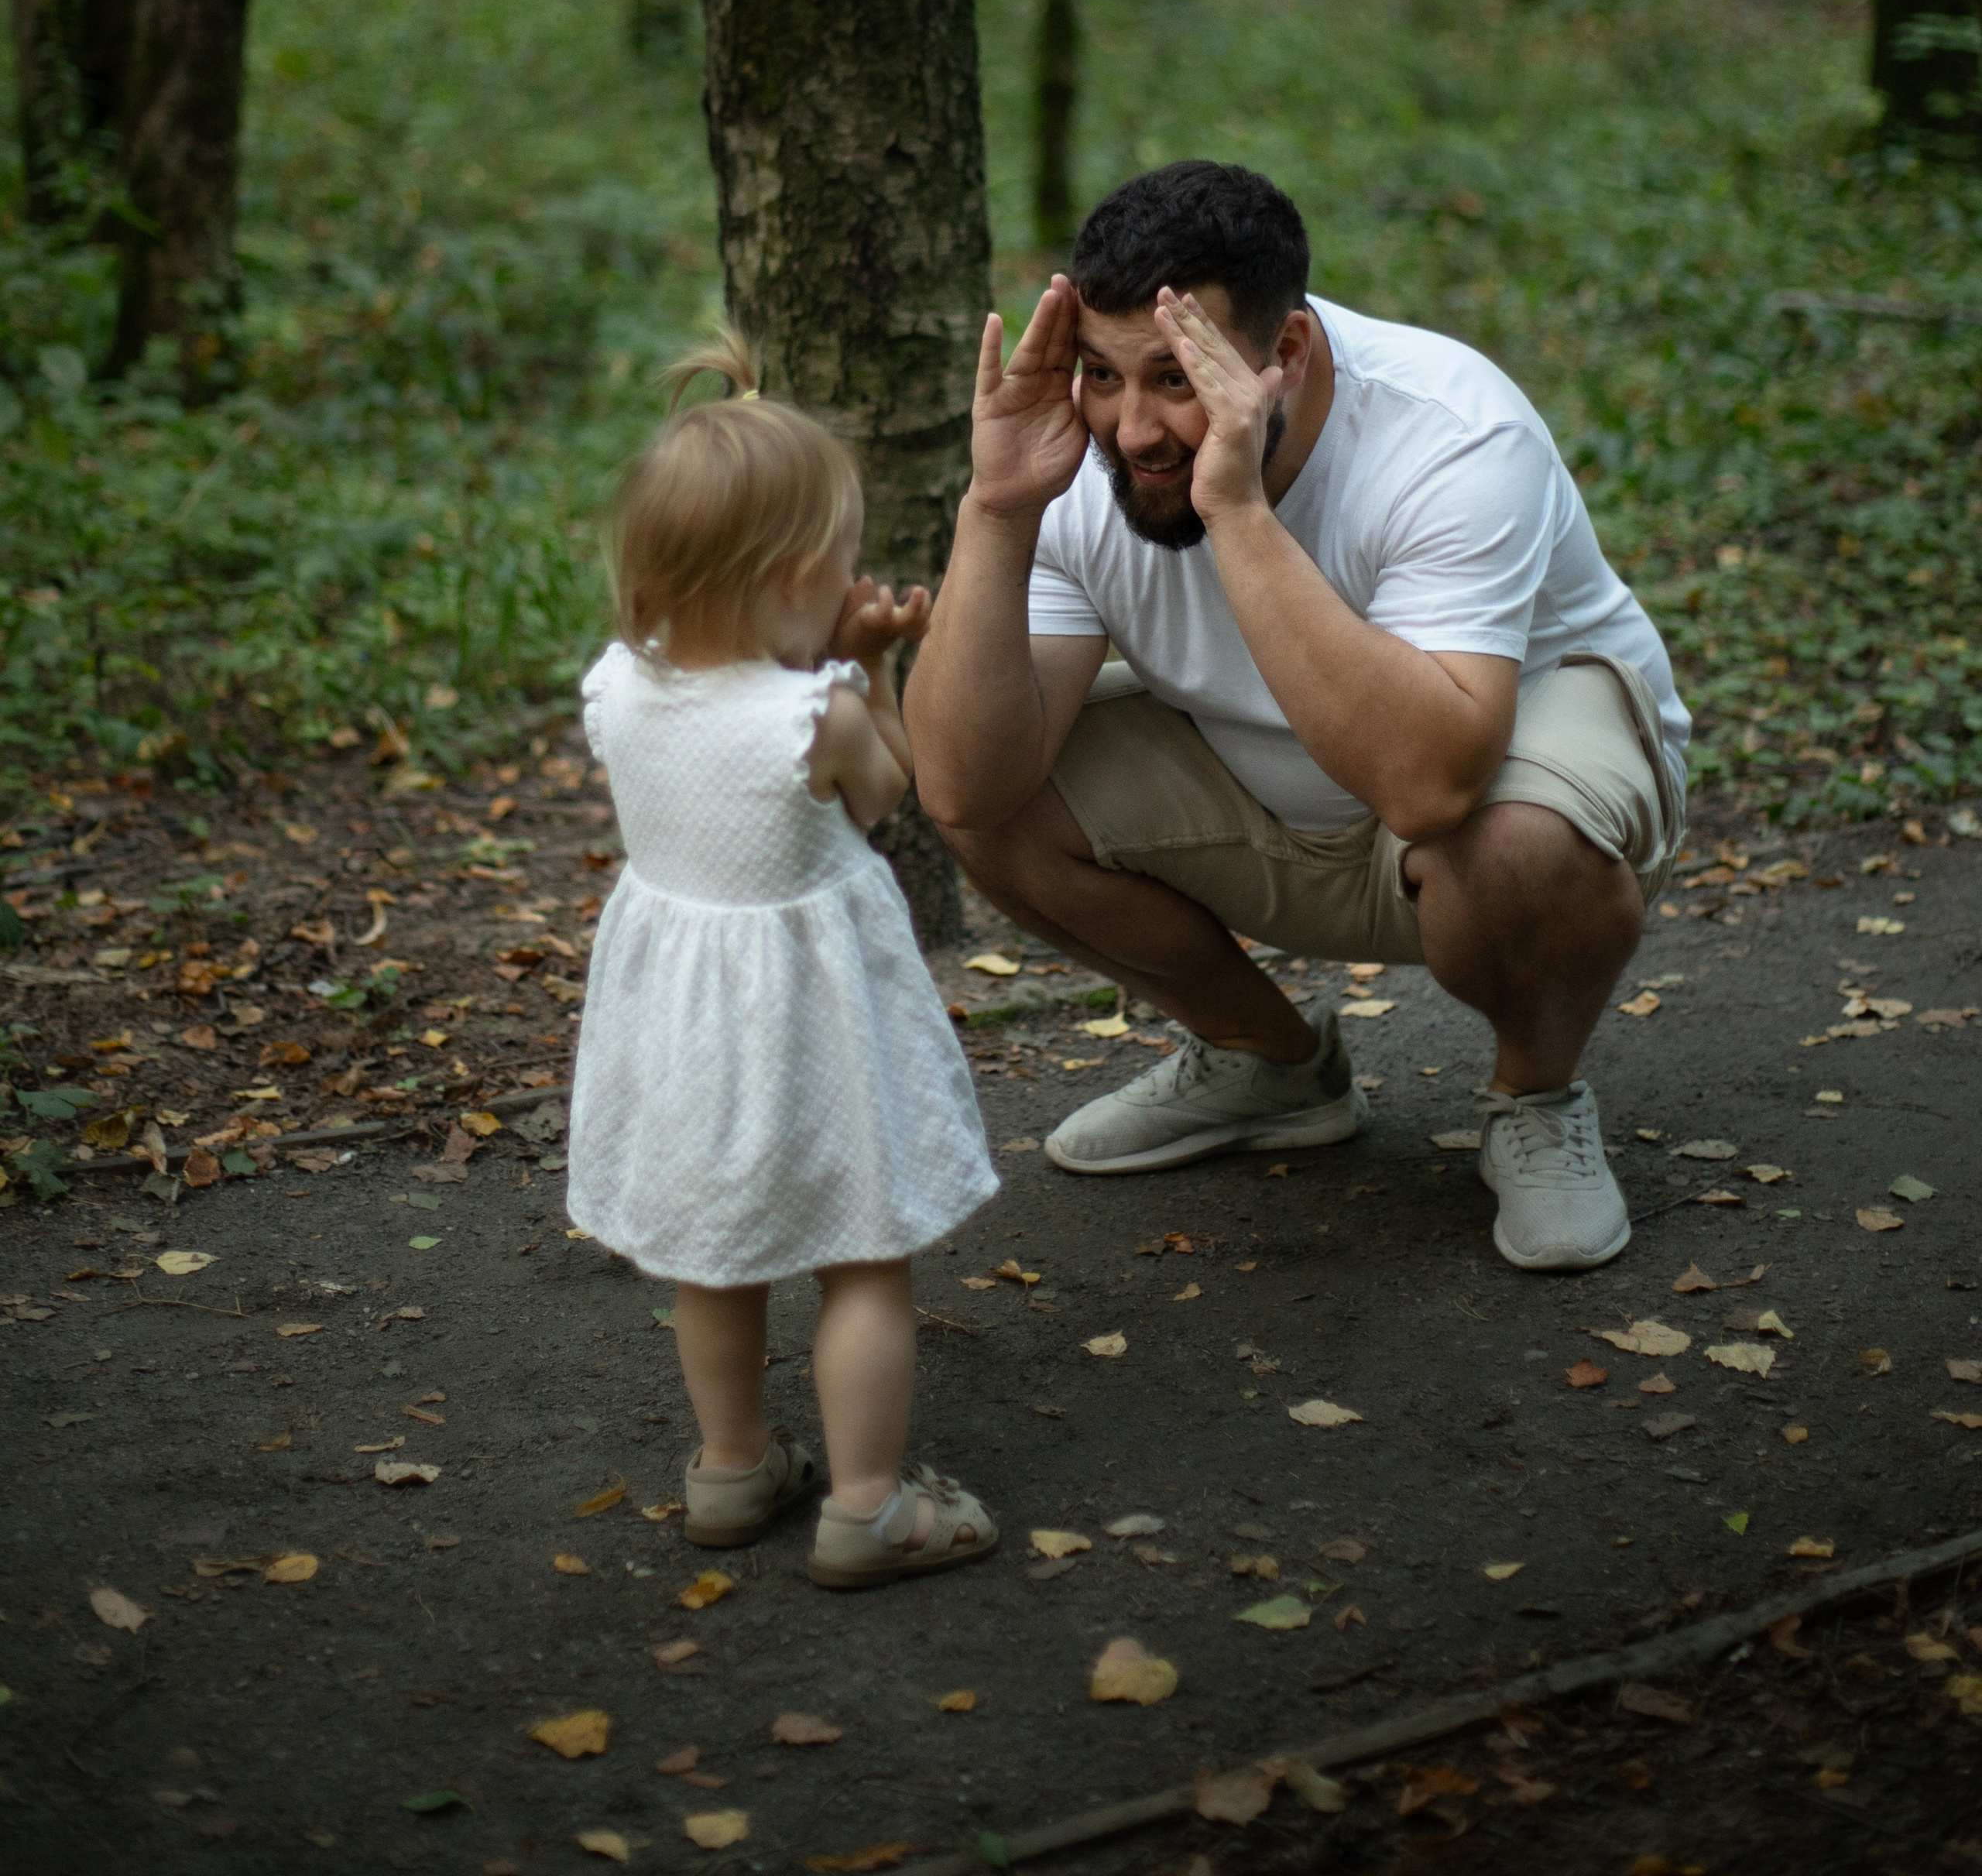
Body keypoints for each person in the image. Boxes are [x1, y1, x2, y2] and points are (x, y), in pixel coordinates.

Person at [907, 163, 1688, 1275]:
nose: (1132, 431)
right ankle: (1268, 1064)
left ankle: (1536, 1093)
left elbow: (1432, 786)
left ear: (1288, 355)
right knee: (996, 798)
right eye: (1101, 375)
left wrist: (1235, 505)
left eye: (1178, 379)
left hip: (1495, 805)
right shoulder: (1073, 452)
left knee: (1516, 845)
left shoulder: (1450, 432)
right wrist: (996, 512)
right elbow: (961, 788)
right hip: (1265, 795)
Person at [566, 333, 999, 1587]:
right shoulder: (822, 713)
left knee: (717, 1249)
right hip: (818, 1019)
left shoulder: (617, 691)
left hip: (685, 1022)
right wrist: (870, 665)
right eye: (843, 563)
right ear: (798, 574)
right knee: (863, 1250)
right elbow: (884, 799)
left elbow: (721, 730)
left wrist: (816, 653)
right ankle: (868, 1506)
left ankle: (732, 1467)